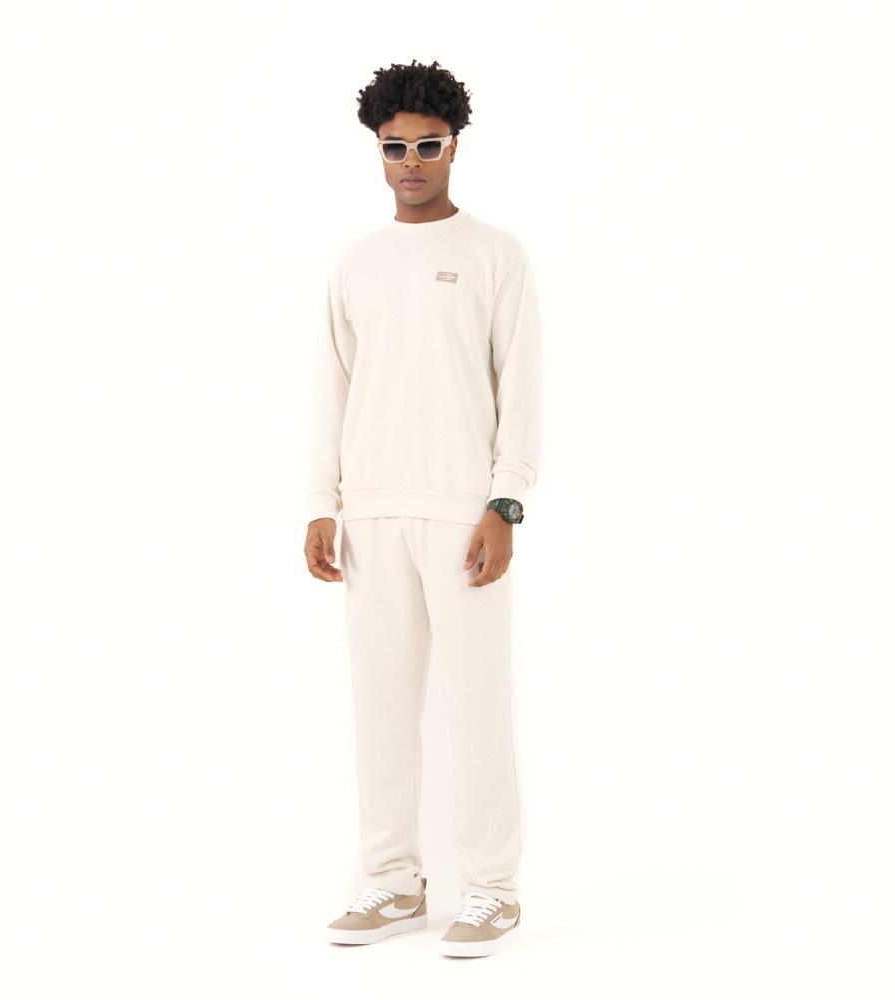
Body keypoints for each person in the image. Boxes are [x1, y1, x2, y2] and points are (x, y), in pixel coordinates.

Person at [304, 59, 542, 958]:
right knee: (381, 706)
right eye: (394, 147)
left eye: (428, 146)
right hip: (369, 516)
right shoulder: (356, 263)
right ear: (378, 150)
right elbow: (331, 389)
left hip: (461, 513)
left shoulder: (495, 256)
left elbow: (522, 387)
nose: (411, 162)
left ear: (454, 146)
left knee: (477, 703)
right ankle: (395, 880)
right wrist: (320, 503)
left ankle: (492, 890)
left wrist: (506, 502)